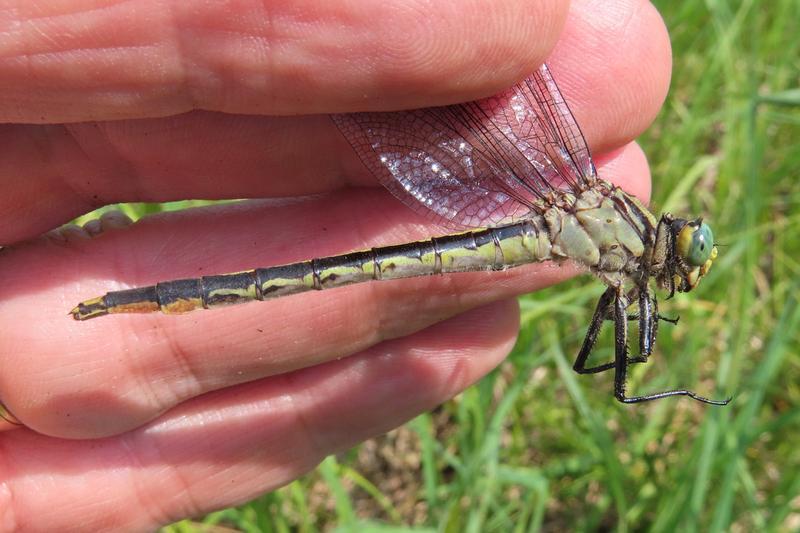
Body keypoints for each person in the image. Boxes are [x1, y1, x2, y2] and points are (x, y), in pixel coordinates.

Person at [0, 0, 671, 528]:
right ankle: (118, 303)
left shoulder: (619, 244)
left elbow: (604, 353)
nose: (677, 259)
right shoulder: (623, 242)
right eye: (683, 248)